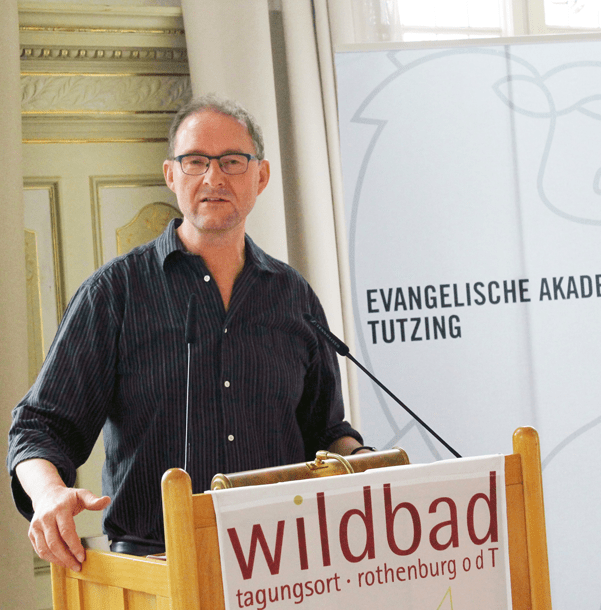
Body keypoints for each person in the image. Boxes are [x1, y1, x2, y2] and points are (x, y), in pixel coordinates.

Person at [7, 94, 369, 573]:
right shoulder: (115, 293)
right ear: (171, 175)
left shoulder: (292, 296)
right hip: (158, 571)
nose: (213, 178)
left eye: (232, 161)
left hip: (282, 569)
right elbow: (39, 428)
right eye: (195, 161)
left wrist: (367, 462)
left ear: (261, 176)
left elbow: (325, 433)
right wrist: (49, 493)